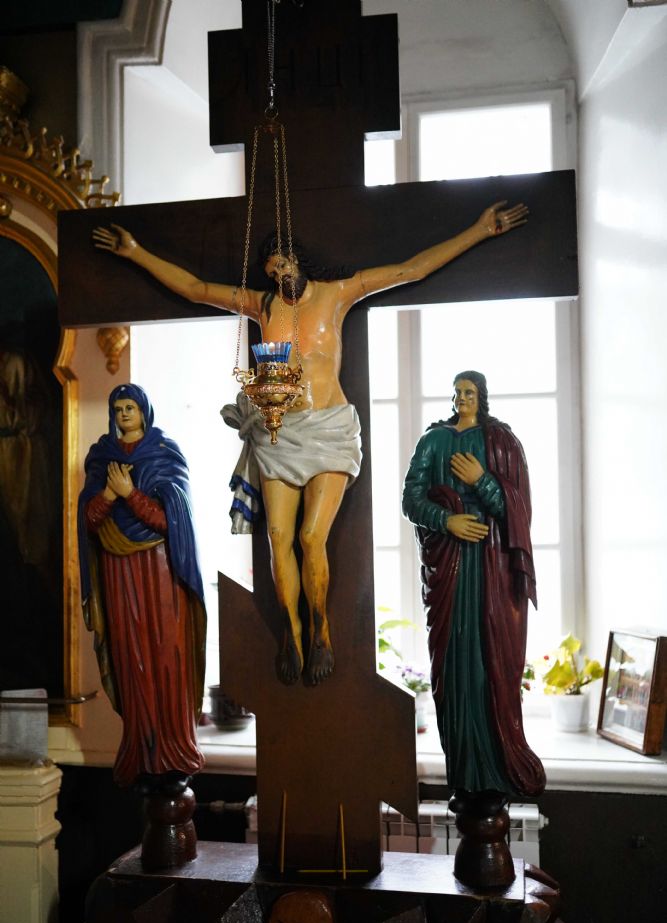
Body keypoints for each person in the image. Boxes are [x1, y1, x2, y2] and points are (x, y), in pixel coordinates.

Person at [93, 201, 527, 687]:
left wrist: (478, 230)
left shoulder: (338, 293)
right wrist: (135, 252)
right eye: (271, 270)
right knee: (278, 535)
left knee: (310, 537)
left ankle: (320, 627)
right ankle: (292, 631)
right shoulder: (262, 305)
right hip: (279, 432)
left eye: (283, 264)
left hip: (329, 428)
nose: (279, 274)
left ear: (297, 259)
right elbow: (196, 289)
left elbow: (411, 269)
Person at [402, 371, 545, 799]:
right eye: (457, 392)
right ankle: (464, 772)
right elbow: (411, 499)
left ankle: (496, 769)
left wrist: (482, 479)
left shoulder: (502, 442)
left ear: (482, 397)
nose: (462, 398)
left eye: (469, 392)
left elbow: (518, 509)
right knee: (451, 667)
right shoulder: (433, 441)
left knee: (489, 663)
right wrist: (447, 521)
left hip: (492, 569)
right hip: (448, 565)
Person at [78, 384, 206, 791]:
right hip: (119, 572)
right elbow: (89, 521)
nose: (123, 414)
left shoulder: (164, 454)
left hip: (162, 572)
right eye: (117, 408)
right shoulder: (102, 458)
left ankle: (175, 748)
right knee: (131, 656)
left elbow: (173, 521)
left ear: (144, 411)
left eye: (130, 407)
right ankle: (142, 749)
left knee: (167, 654)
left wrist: (130, 495)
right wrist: (107, 495)